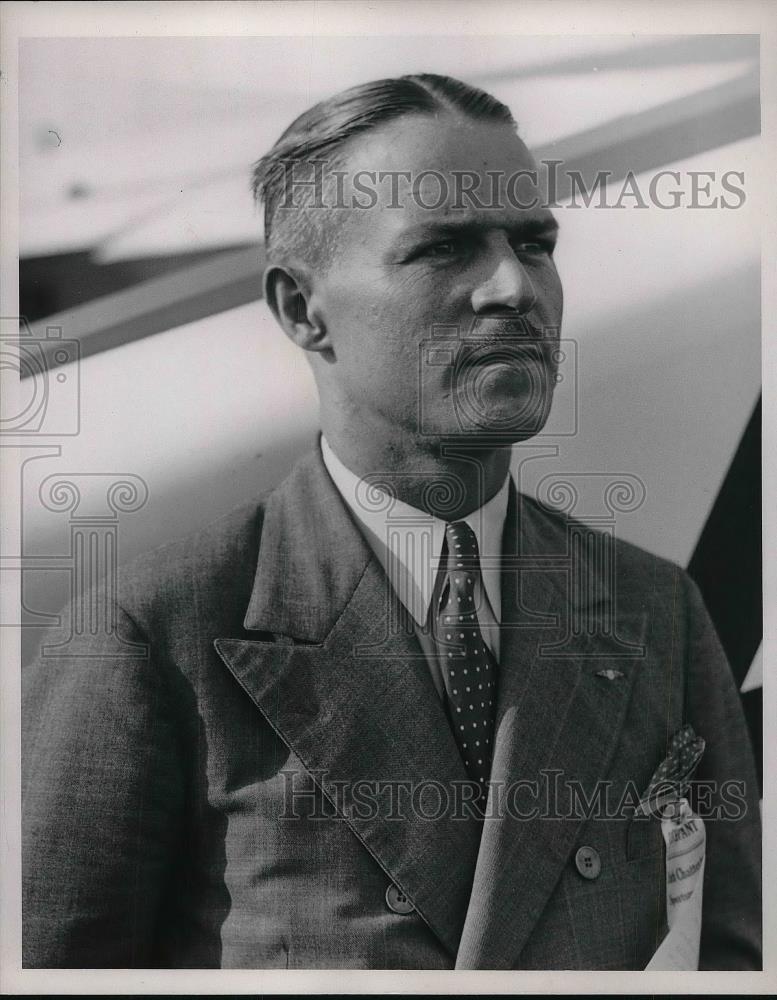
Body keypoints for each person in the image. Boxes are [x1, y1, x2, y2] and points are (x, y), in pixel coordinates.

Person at [22, 73, 761, 970]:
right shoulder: (152, 637)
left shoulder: (652, 610)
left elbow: (732, 956)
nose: (511, 288)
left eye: (534, 244)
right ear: (302, 310)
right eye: (442, 250)